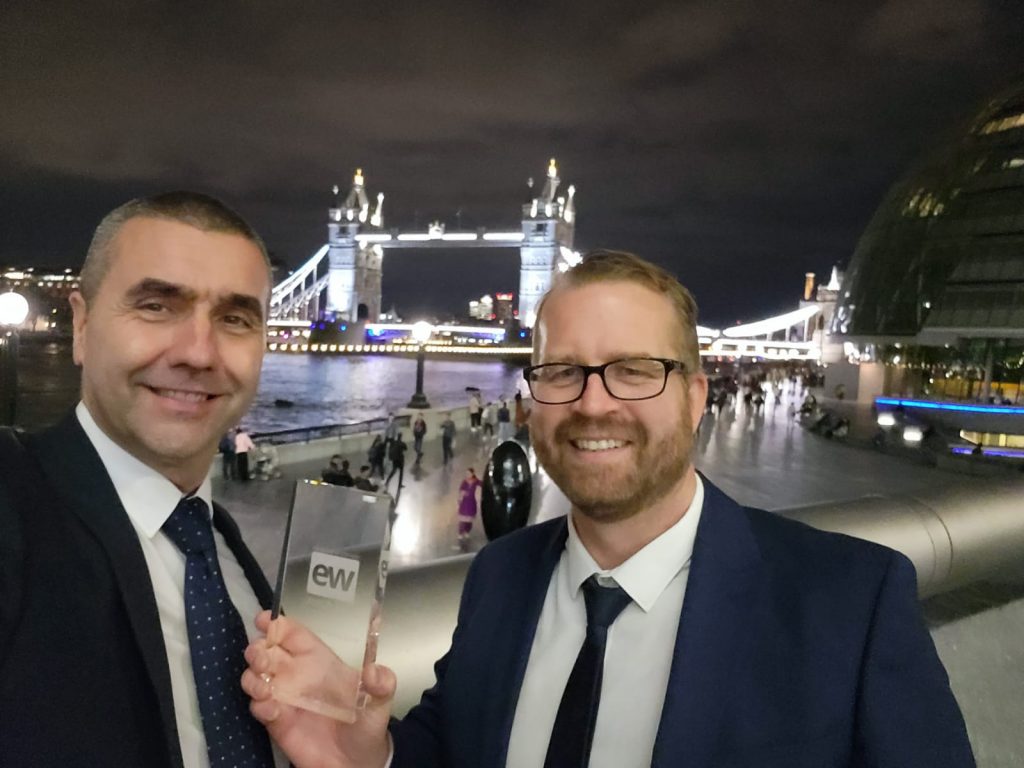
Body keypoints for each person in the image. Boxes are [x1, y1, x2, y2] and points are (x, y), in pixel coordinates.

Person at [242, 250, 973, 768]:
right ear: (530, 403)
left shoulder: (851, 601)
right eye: (563, 372)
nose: (595, 404)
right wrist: (372, 754)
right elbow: (455, 749)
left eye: (634, 371)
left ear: (695, 398)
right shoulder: (499, 576)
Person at [0, 192, 286, 767]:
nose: (199, 353)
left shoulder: (231, 563)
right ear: (81, 325)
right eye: (156, 306)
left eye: (234, 318)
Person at [455, 467, 482, 545]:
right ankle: (460, 533)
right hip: (464, 502)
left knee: (469, 520)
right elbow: (461, 491)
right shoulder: (464, 482)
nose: (467, 475)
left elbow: (482, 484)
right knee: (463, 519)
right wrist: (460, 498)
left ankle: (467, 531)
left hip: (471, 502)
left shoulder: (475, 481)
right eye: (466, 473)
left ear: (472, 473)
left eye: (469, 473)